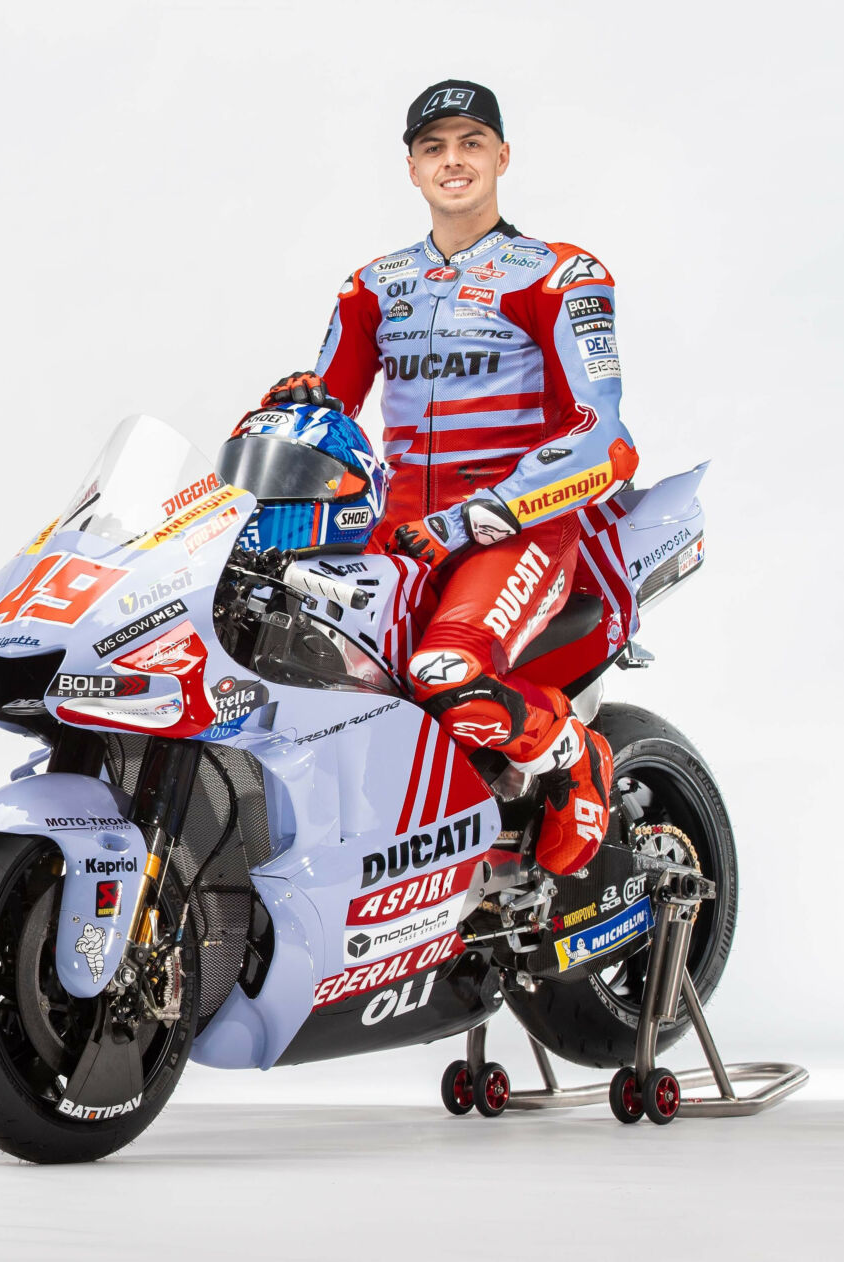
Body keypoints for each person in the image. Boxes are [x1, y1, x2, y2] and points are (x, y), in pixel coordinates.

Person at [261, 80, 638, 877]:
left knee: (446, 676)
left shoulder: (560, 275)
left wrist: (478, 518)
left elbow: (601, 438)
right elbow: (330, 414)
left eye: (471, 143)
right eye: (434, 147)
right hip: (395, 529)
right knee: (298, 663)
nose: (453, 160)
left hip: (517, 531)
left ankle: (574, 750)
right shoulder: (373, 284)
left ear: (502, 157)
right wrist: (292, 405)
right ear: (411, 168)